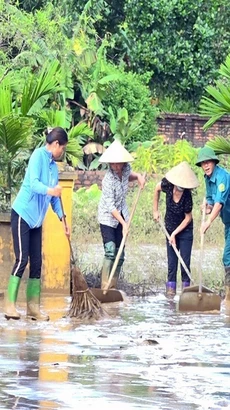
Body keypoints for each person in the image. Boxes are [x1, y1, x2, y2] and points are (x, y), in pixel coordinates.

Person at [4, 127, 70, 321]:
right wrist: (52, 191)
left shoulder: (52, 167)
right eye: (63, 148)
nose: (62, 153)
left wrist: (62, 217)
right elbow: (34, 185)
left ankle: (33, 308)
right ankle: (9, 305)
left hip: (36, 221)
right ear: (56, 144)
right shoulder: (37, 156)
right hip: (23, 215)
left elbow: (55, 199)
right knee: (22, 259)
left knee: (37, 263)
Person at [98, 139, 145, 290]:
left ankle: (112, 286)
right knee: (111, 251)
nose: (117, 167)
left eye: (119, 163)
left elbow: (129, 175)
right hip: (107, 217)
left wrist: (138, 177)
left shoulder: (125, 169)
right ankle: (104, 285)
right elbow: (111, 207)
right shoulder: (108, 180)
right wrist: (124, 223)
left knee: (120, 255)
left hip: (122, 213)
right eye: (114, 163)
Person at [153, 161, 199, 295]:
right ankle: (170, 295)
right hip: (169, 227)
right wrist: (155, 210)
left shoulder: (187, 196)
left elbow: (187, 218)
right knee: (172, 266)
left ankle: (186, 295)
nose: (180, 188)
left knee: (185, 264)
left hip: (185, 232)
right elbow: (156, 188)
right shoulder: (167, 185)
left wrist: (174, 234)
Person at [196, 146, 230, 305]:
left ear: (214, 162)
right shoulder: (207, 178)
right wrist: (207, 208)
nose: (206, 166)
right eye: (203, 163)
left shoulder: (223, 177)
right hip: (228, 223)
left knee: (227, 258)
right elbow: (211, 201)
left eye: (208, 162)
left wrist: (208, 222)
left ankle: (229, 298)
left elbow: (219, 203)